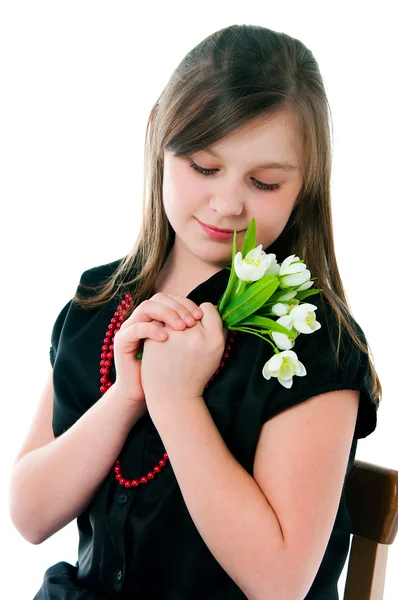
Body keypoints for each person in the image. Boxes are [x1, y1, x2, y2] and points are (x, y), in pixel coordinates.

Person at [9, 23, 381, 600]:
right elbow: (29, 516)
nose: (228, 202)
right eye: (204, 168)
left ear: (305, 185)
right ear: (160, 133)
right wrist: (128, 395)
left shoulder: (312, 338)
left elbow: (280, 583)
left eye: (263, 182)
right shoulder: (98, 304)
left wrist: (178, 402)